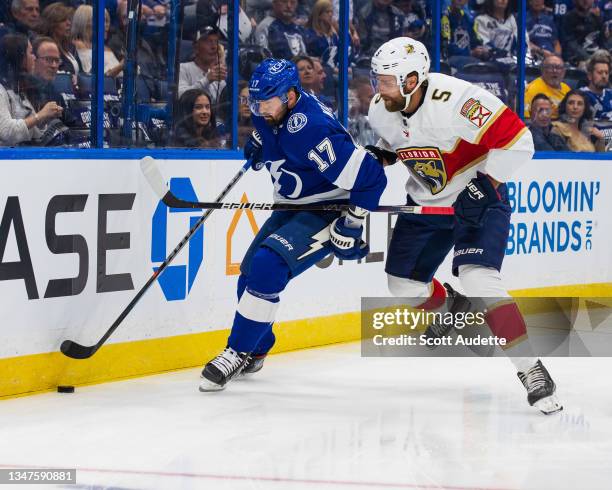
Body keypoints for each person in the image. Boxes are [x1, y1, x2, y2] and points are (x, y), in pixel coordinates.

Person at [367, 36, 562, 414]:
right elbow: (396, 143)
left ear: (412, 80)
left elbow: (519, 142)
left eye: (386, 80)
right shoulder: (380, 108)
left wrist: (484, 185)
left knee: (479, 277)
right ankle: (451, 305)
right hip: (425, 204)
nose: (378, 88)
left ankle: (531, 370)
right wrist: (378, 160)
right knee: (402, 286)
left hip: (477, 201)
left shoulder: (458, 100)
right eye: (377, 79)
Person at [199, 58, 388, 391]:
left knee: (268, 266)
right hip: (290, 205)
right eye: (254, 101)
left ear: (290, 95)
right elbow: (276, 138)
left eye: (266, 101)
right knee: (249, 277)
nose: (258, 108)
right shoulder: (270, 109)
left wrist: (353, 221)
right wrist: (262, 145)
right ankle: (255, 351)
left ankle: (236, 350)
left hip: (327, 208)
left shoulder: (312, 128)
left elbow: (371, 177)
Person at [0, 33, 63, 146]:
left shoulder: (19, 87)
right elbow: (6, 132)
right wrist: (41, 115)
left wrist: (47, 117)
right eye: (30, 53)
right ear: (19, 57)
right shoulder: (1, 90)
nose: (34, 57)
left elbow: (36, 133)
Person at [70, 5, 123, 77]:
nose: (107, 25)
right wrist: (121, 66)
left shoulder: (107, 48)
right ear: (85, 22)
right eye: (102, 20)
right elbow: (91, 77)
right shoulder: (77, 46)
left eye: (107, 21)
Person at [178, 26, 226, 103]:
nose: (214, 47)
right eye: (208, 42)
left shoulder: (217, 75)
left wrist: (222, 62)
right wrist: (207, 80)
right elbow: (181, 96)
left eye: (216, 42)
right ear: (196, 48)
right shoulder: (183, 68)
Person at [442, 0, 490, 70]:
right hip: (450, 59)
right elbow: (446, 46)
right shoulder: (444, 16)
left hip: (468, 58)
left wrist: (482, 50)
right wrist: (470, 52)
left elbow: (476, 40)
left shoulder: (468, 18)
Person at [561, 0, 609, 68]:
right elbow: (570, 43)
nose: (586, 1)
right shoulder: (568, 18)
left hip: (596, 55)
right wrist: (589, 58)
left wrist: (605, 55)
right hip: (577, 58)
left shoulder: (597, 17)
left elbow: (603, 41)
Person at [524, 54, 571, 118]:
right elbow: (526, 119)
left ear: (564, 71)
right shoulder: (532, 90)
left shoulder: (566, 88)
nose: (555, 71)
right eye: (550, 67)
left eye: (558, 67)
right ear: (542, 70)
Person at [39, 2, 80, 75]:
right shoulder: (47, 48)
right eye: (63, 20)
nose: (69, 23)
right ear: (52, 24)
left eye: (69, 19)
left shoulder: (71, 47)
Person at [474, 0, 518, 65]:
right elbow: (485, 44)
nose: (503, 0)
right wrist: (502, 54)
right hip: (489, 63)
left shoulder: (512, 19)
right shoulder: (481, 19)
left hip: (512, 62)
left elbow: (521, 41)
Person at [580, 50, 612, 121]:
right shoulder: (581, 96)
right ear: (590, 76)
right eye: (600, 73)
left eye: (606, 73)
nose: (604, 76)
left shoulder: (610, 93)